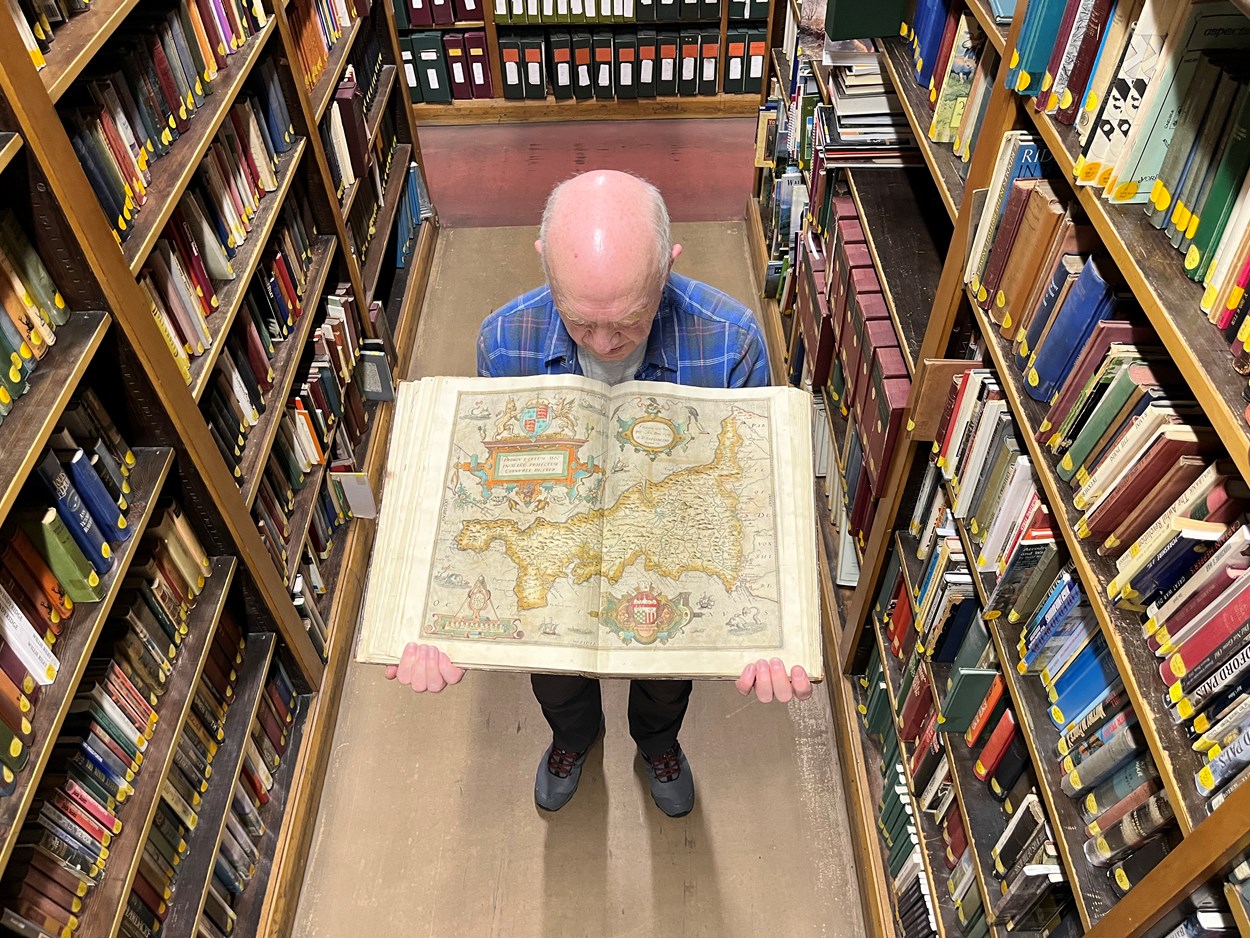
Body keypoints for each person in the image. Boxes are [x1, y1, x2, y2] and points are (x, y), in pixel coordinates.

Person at [386, 170, 813, 818]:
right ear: (545, 270)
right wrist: (433, 622)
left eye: (632, 320)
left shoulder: (733, 342)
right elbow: (487, 499)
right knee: (554, 672)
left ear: (669, 267)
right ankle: (573, 739)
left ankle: (657, 743)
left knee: (667, 680)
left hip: (668, 555)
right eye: (581, 322)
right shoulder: (504, 342)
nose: (607, 342)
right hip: (561, 554)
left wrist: (771, 625)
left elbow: (754, 497)